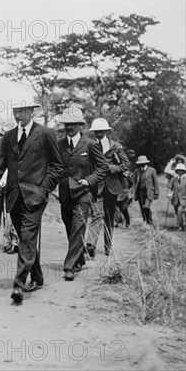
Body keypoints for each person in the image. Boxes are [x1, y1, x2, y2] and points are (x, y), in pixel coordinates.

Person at [0, 100, 63, 304]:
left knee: (27, 239)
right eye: (15, 111)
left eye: (22, 111)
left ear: (31, 111)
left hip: (35, 197)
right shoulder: (9, 136)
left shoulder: (45, 134)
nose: (18, 115)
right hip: (13, 196)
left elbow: (56, 166)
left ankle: (19, 285)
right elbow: (0, 165)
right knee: (26, 239)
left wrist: (43, 189)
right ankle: (37, 276)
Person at [57, 108, 108, 281]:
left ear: (80, 125)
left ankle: (69, 266)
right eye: (67, 124)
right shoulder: (59, 144)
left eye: (73, 124)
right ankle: (78, 258)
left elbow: (103, 168)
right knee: (70, 226)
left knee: (78, 226)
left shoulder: (90, 144)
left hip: (83, 194)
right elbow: (55, 168)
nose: (69, 127)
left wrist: (89, 180)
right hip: (64, 194)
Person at [85, 118, 130, 257]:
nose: (99, 134)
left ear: (106, 131)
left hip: (112, 186)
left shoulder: (116, 146)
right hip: (96, 185)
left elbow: (126, 165)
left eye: (101, 131)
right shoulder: (89, 146)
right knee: (96, 214)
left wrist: (111, 168)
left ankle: (107, 246)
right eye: (96, 131)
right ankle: (91, 244)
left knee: (110, 217)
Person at [134, 155, 159, 227]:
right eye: (140, 163)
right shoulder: (137, 171)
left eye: (143, 163)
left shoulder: (152, 170)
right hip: (140, 192)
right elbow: (135, 182)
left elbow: (156, 182)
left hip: (149, 192)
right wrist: (134, 193)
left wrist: (156, 193)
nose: (142, 164)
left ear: (146, 163)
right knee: (142, 207)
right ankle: (145, 221)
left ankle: (149, 221)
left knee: (146, 206)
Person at [115, 148, 137, 228]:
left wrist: (130, 191)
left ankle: (127, 222)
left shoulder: (127, 171)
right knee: (116, 208)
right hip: (117, 191)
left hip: (125, 192)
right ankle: (118, 221)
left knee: (123, 208)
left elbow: (131, 182)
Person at [168, 163, 186, 230]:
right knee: (177, 212)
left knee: (179, 210)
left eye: (182, 170)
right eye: (179, 170)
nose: (180, 172)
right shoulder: (174, 179)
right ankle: (182, 225)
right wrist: (169, 193)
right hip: (175, 199)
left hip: (183, 199)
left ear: (184, 171)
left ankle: (178, 225)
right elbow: (170, 187)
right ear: (177, 171)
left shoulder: (185, 179)